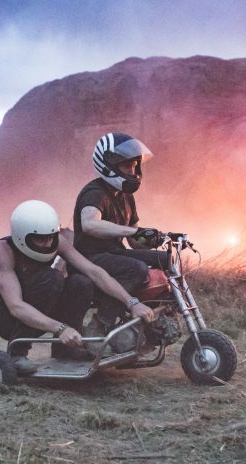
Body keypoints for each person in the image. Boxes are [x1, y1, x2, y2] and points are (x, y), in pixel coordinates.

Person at [0, 199, 155, 375]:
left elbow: (94, 271)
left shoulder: (57, 242)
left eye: (50, 237)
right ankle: (17, 353)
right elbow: (15, 306)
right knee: (52, 279)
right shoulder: (3, 252)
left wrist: (132, 302)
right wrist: (60, 328)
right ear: (21, 235)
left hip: (39, 301)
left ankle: (66, 349)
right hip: (4, 314)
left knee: (81, 282)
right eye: (40, 239)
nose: (47, 243)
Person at [73, 132, 167, 338]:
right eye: (127, 166)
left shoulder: (126, 196)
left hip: (115, 253)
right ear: (109, 165)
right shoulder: (95, 192)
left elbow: (134, 242)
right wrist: (134, 231)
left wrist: (155, 237)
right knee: (136, 269)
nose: (133, 171)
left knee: (166, 260)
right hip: (89, 257)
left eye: (135, 165)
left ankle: (158, 317)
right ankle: (100, 324)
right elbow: (89, 224)